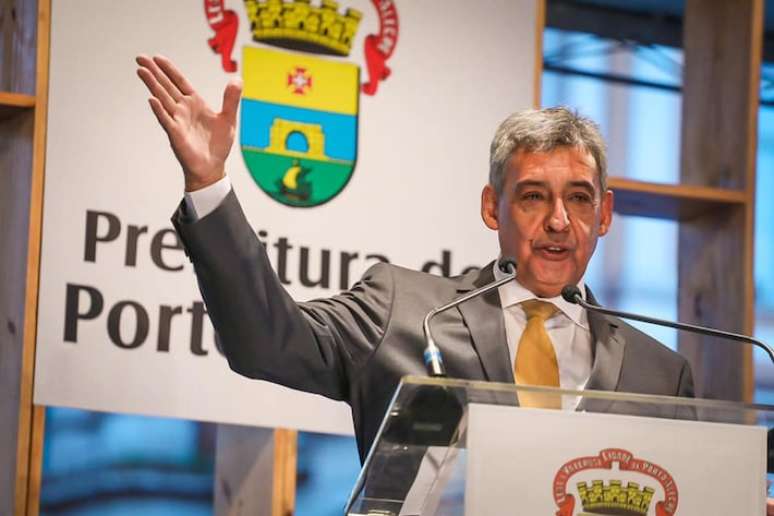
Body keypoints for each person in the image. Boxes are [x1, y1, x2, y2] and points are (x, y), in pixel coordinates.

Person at [136, 55, 694, 463]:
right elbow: (265, 341)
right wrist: (208, 184)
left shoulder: (662, 376)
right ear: (492, 208)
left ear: (604, 214)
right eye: (532, 196)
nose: (558, 221)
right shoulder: (403, 311)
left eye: (579, 198)